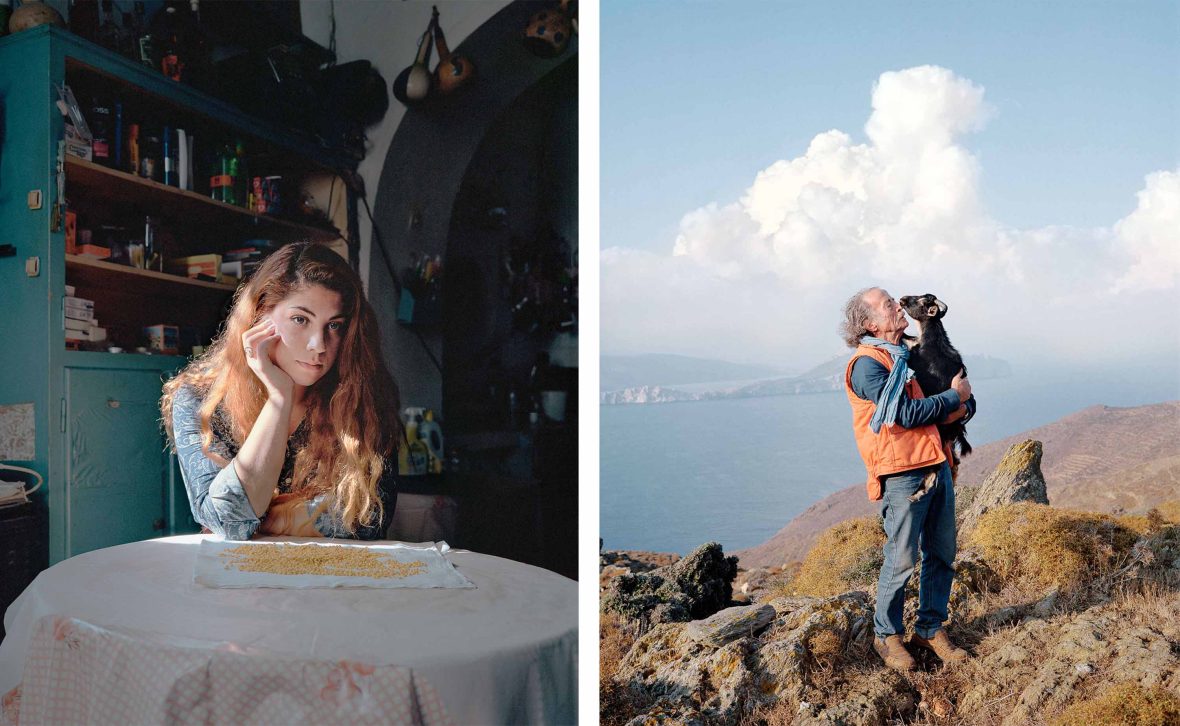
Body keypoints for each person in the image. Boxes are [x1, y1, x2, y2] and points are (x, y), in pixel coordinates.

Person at [161, 241, 402, 541]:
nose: (319, 345)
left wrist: (259, 516)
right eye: (300, 319)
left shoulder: (363, 398)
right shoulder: (200, 399)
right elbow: (229, 522)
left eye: (334, 326)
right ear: (260, 315)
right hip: (235, 580)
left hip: (335, 578)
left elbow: (367, 522)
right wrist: (279, 399)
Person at [840, 287, 975, 672]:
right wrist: (952, 400)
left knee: (942, 553)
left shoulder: (910, 357)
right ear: (870, 324)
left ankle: (930, 629)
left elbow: (962, 399)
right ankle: (887, 636)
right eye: (888, 305)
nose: (898, 307)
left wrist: (959, 402)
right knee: (901, 559)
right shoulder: (868, 365)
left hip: (937, 463)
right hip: (902, 474)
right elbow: (903, 414)